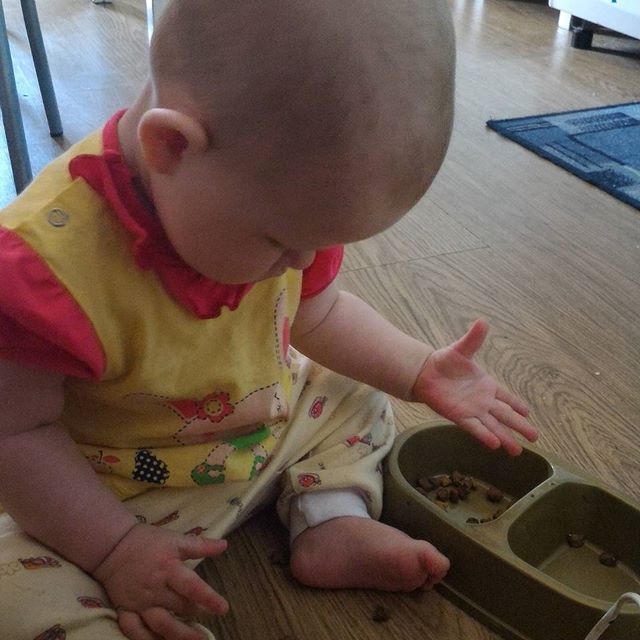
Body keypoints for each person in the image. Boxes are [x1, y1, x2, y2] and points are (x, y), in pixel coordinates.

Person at [0, 1, 538, 639]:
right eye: (283, 243)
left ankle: (328, 518)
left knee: (354, 394)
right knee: (16, 593)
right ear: (170, 146)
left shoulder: (273, 199)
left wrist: (419, 369)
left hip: (257, 429)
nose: (304, 262)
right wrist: (113, 548)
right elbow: (18, 437)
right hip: (103, 489)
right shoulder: (43, 273)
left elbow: (320, 313)